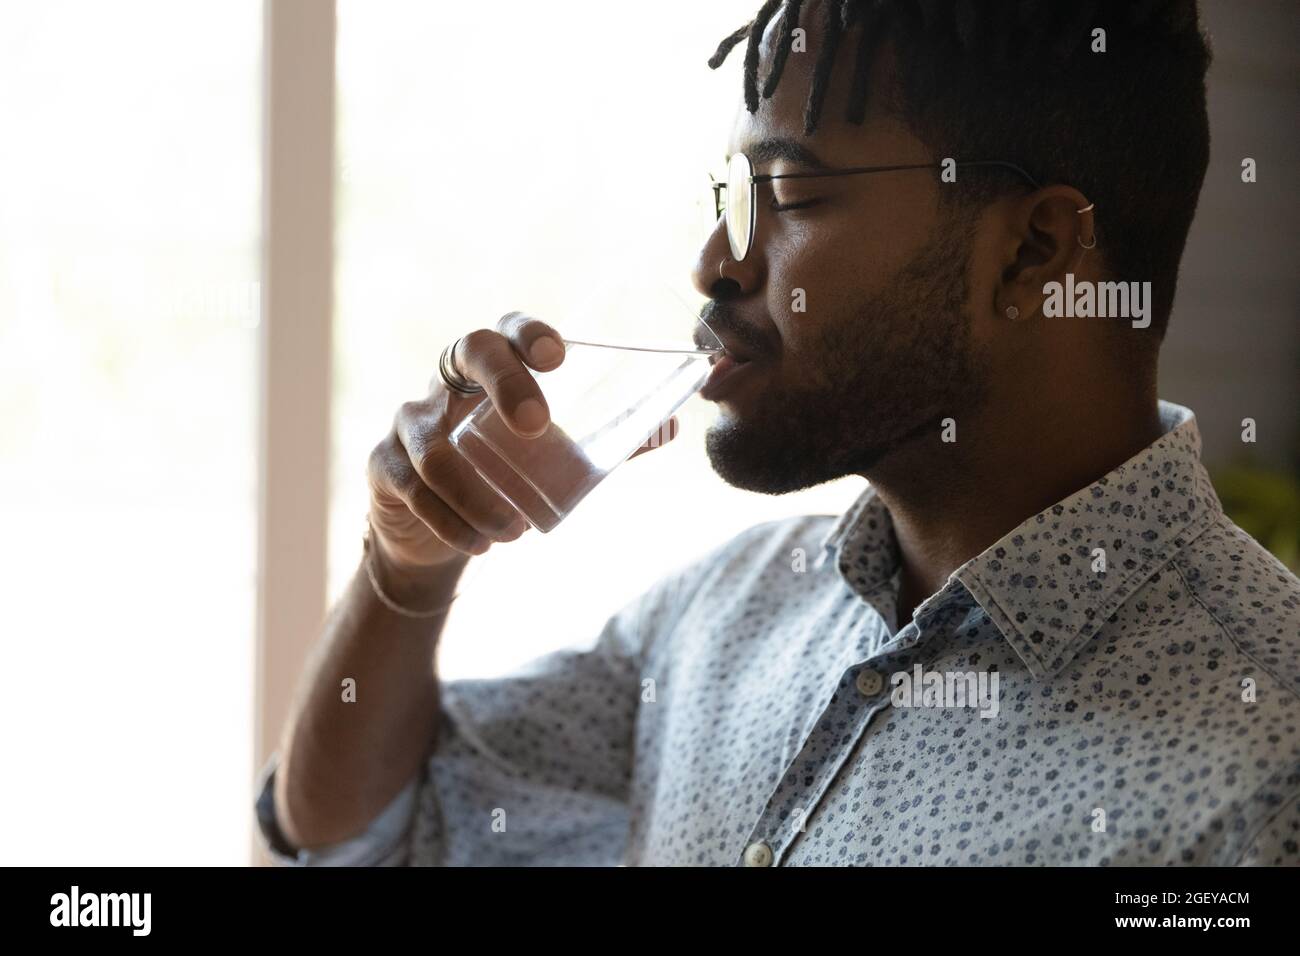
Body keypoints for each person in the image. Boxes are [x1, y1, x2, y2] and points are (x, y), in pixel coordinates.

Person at [254, 0, 1300, 866]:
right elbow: (354, 830)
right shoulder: (724, 614)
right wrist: (408, 563)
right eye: (731, 196)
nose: (715, 260)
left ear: (1031, 252)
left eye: (786, 194)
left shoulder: (1265, 771)